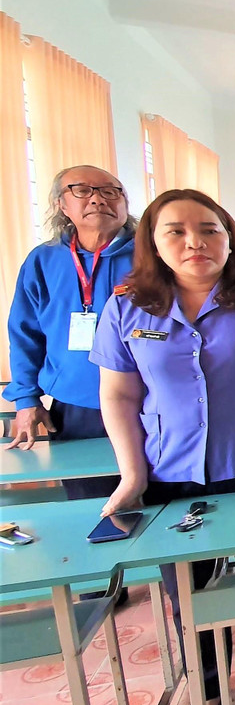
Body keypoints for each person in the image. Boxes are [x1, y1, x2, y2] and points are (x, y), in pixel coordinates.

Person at [89, 188, 235, 705]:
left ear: (229, 236)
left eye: (210, 229)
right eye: (177, 231)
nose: (195, 242)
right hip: (171, 476)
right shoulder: (126, 306)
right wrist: (132, 473)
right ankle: (207, 684)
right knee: (185, 591)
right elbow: (117, 396)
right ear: (154, 242)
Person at [6, 166, 136, 602]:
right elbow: (24, 333)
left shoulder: (151, 257)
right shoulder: (43, 261)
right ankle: (101, 585)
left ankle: (175, 580)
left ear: (125, 203)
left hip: (147, 400)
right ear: (62, 204)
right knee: (89, 499)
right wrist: (26, 399)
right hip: (77, 403)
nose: (98, 198)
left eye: (110, 190)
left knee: (159, 490)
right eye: (82, 190)